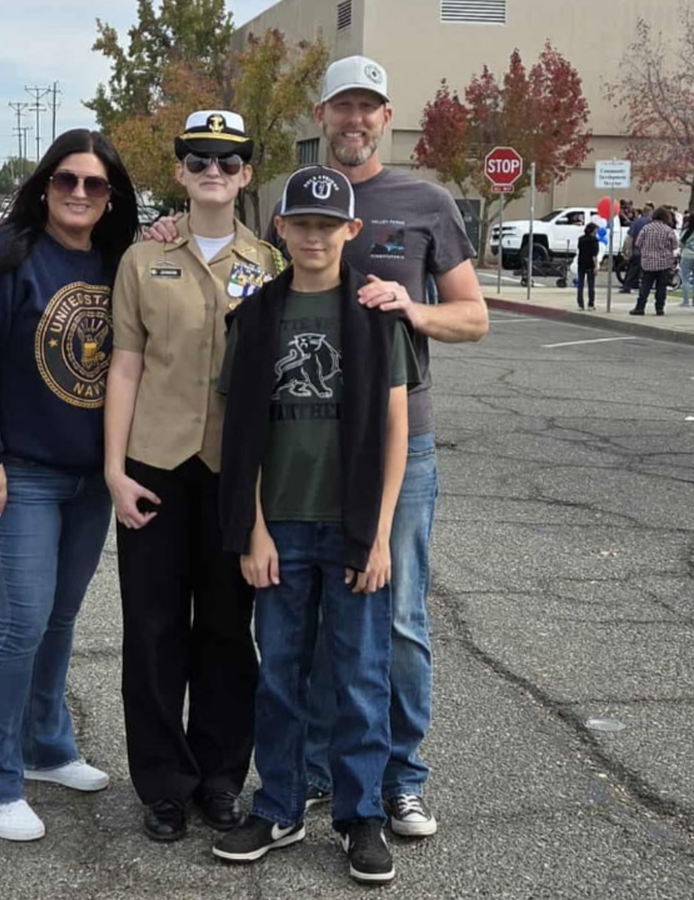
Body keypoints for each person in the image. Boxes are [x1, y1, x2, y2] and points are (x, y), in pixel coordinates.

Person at [146, 58, 487, 839]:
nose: (354, 119)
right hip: (298, 462)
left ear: (387, 116)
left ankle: (398, 782)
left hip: (398, 441)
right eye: (342, 106)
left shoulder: (427, 203)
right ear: (322, 115)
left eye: (368, 107)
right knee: (306, 644)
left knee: (393, 625)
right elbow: (245, 281)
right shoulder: (289, 209)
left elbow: (473, 317)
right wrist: (167, 228)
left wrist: (411, 310)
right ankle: (312, 780)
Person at [212, 164, 416, 883]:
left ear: (350, 230)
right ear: (281, 229)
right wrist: (254, 528)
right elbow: (242, 432)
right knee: (280, 676)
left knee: (360, 677)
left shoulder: (374, 314)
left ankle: (361, 815)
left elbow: (396, 430)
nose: (315, 237)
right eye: (302, 224)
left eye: (328, 226)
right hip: (283, 527)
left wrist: (381, 532)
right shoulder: (257, 316)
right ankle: (280, 806)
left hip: (354, 524)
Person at [0, 128, 139, 842]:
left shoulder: (118, 261)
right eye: (66, 179)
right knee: (21, 621)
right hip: (20, 472)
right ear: (45, 184)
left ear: (111, 195)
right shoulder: (6, 255)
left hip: (92, 476)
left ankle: (45, 747)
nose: (79, 193)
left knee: (59, 618)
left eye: (94, 183)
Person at [105, 110, 283, 843]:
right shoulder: (143, 260)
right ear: (179, 171)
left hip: (233, 473)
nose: (215, 171)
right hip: (154, 467)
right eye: (200, 159)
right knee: (152, 632)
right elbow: (125, 367)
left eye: (229, 161)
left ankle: (219, 779)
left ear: (246, 175)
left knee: (226, 632)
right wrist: (113, 471)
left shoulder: (269, 264)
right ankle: (163, 786)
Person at [629, 207, 678, 316]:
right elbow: (674, 245)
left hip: (648, 262)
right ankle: (659, 308)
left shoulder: (646, 228)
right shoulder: (668, 230)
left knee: (645, 286)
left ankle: (640, 307)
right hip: (664, 262)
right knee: (661, 287)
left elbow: (638, 243)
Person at [620, 202, 654, 294]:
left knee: (633, 269)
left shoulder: (636, 222)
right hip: (648, 250)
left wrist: (626, 249)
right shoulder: (652, 223)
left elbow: (629, 237)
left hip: (636, 250)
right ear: (651, 212)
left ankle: (628, 285)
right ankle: (640, 286)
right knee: (646, 271)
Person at [576, 222, 599, 310]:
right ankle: (590, 304)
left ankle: (580, 304)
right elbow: (594, 255)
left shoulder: (581, 239)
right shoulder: (594, 240)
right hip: (590, 264)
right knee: (591, 285)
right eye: (596, 230)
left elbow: (579, 249)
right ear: (593, 230)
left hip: (581, 262)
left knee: (580, 284)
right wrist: (596, 266)